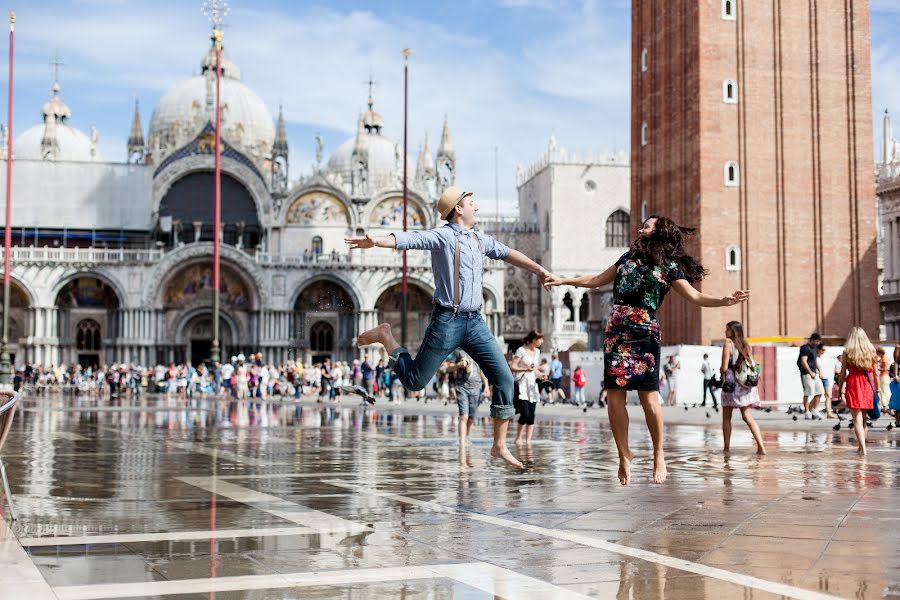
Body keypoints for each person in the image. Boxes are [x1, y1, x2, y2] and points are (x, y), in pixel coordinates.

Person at [346, 186, 552, 468]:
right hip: (448, 320)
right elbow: (409, 239)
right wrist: (378, 241)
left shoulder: (481, 240)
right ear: (458, 209)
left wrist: (539, 270)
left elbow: (508, 253)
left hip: (476, 321)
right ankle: (386, 336)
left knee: (504, 379)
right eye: (471, 203)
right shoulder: (443, 236)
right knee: (415, 381)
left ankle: (499, 445)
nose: (476, 208)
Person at [547, 215, 749, 485]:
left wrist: (724, 301)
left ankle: (658, 455)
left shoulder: (669, 266)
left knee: (649, 400)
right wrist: (563, 281)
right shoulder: (626, 258)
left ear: (660, 232)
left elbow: (695, 296)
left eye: (647, 224)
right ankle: (624, 454)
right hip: (616, 331)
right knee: (615, 398)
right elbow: (597, 280)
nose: (641, 227)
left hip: (644, 333)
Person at [720, 321, 766, 455]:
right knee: (748, 417)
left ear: (733, 332)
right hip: (745, 385)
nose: (725, 332)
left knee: (726, 417)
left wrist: (720, 372)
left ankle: (726, 448)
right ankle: (761, 447)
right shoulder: (746, 344)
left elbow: (723, 367)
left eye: (727, 330)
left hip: (731, 385)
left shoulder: (728, 345)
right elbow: (752, 363)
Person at [836, 327, 877, 456]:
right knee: (864, 419)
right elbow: (875, 373)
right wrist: (878, 389)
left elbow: (842, 373)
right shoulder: (871, 351)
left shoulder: (847, 352)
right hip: (867, 385)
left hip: (853, 384)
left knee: (857, 420)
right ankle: (861, 447)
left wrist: (840, 388)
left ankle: (863, 449)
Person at [447, 349, 489, 443]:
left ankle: (467, 437)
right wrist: (459, 365)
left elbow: (481, 371)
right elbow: (449, 368)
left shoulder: (478, 351)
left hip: (476, 388)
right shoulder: (458, 352)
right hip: (461, 387)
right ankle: (461, 442)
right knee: (464, 416)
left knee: (471, 418)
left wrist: (486, 386)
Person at [509, 331, 543, 446]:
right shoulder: (521, 350)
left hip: (532, 385)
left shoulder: (537, 352)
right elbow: (512, 366)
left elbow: (535, 369)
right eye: (540, 339)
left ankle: (528, 440)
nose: (542, 341)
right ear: (534, 339)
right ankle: (518, 438)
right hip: (522, 384)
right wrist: (525, 369)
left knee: (532, 414)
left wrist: (541, 375)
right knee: (525, 413)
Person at [797, 333, 824, 420]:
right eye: (816, 341)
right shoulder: (805, 348)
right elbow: (803, 361)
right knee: (808, 393)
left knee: (820, 391)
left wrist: (819, 370)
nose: (817, 343)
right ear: (812, 340)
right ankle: (807, 412)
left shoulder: (815, 349)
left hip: (814, 373)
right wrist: (810, 372)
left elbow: (815, 360)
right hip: (806, 373)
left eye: (819, 341)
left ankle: (814, 410)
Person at [816, 346, 836, 418]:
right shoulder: (816, 358)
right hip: (820, 378)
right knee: (818, 395)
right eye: (822, 349)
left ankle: (828, 412)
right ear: (818, 349)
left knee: (828, 395)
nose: (823, 351)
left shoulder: (823, 358)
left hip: (825, 378)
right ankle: (811, 409)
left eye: (824, 350)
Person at [875, 346, 891, 412]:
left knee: (884, 391)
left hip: (884, 376)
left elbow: (887, 368)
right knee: (884, 391)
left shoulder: (884, 359)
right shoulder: (882, 358)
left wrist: (879, 369)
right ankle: (885, 405)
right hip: (883, 376)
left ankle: (886, 405)